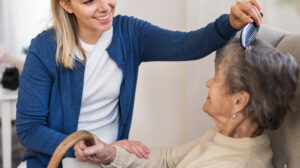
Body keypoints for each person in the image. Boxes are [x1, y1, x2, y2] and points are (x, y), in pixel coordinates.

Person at [15, 0, 263, 167]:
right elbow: (29, 129)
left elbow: (188, 45)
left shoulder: (129, 34)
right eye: (89, 0)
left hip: (105, 161)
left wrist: (230, 23)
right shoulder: (45, 47)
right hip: (52, 161)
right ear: (67, 5)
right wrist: (89, 144)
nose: (104, 7)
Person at [67, 38, 299, 168]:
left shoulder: (237, 162)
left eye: (218, 77)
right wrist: (111, 154)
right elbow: (169, 159)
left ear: (239, 101)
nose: (209, 82)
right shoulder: (229, 136)